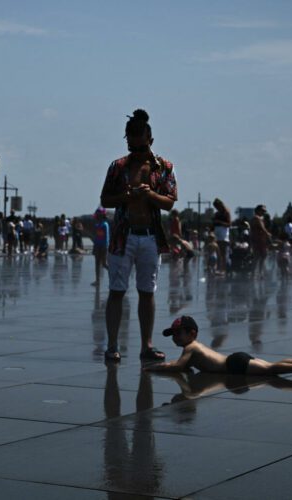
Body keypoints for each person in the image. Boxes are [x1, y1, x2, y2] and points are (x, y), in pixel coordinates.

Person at [100, 109, 177, 363]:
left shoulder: (164, 167)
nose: (135, 145)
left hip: (150, 237)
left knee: (147, 292)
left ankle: (147, 345)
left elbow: (169, 202)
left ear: (150, 139)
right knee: (116, 291)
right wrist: (127, 197)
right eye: (130, 140)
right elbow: (105, 199)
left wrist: (149, 195)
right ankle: (112, 345)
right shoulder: (118, 166)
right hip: (125, 236)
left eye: (139, 140)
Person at [145, 316, 292, 377]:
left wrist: (155, 368)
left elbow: (178, 366)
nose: (174, 337)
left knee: (270, 369)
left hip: (234, 364)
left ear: (192, 334)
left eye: (178, 333)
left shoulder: (190, 348)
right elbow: (186, 366)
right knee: (269, 365)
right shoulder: (194, 347)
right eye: (173, 334)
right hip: (235, 360)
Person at [250, 205, 271, 278]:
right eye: (262, 211)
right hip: (259, 240)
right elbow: (262, 228)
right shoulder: (257, 218)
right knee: (260, 256)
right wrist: (268, 234)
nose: (263, 212)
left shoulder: (256, 218)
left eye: (264, 211)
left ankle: (257, 273)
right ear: (258, 210)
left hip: (258, 240)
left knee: (259, 257)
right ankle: (258, 273)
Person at [92, 207, 110, 286]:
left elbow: (106, 237)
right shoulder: (97, 225)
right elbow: (96, 237)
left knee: (104, 263)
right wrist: (94, 246)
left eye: (98, 215)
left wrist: (105, 246)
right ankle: (97, 280)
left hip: (103, 246)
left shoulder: (105, 224)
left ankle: (113, 275)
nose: (97, 217)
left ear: (102, 215)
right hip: (97, 245)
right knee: (97, 263)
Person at [212, 198, 231, 274]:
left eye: (217, 206)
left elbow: (229, 224)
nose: (216, 208)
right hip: (217, 233)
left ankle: (223, 269)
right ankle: (218, 268)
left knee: (223, 253)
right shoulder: (217, 214)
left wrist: (219, 222)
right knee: (217, 252)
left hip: (223, 234)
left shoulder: (226, 212)